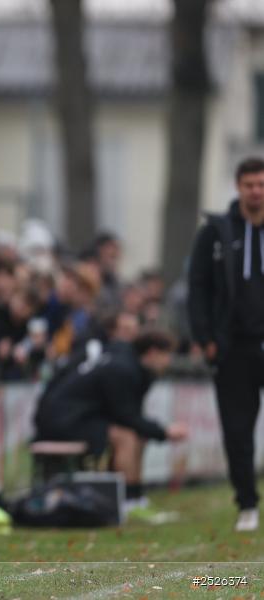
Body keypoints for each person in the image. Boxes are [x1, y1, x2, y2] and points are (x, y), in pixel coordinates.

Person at [33, 329, 189, 512]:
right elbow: (126, 416)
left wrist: (156, 431)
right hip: (62, 420)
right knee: (126, 437)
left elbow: (129, 415)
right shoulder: (122, 369)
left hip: (78, 417)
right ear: (152, 352)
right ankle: (127, 500)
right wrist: (164, 432)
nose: (168, 362)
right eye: (166, 355)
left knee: (137, 435)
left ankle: (137, 497)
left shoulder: (130, 366)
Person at [188, 156, 264, 532]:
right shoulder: (216, 232)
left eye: (262, 184)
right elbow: (197, 287)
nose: (256, 191)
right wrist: (204, 338)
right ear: (238, 187)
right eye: (250, 184)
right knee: (237, 429)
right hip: (233, 346)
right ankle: (247, 502)